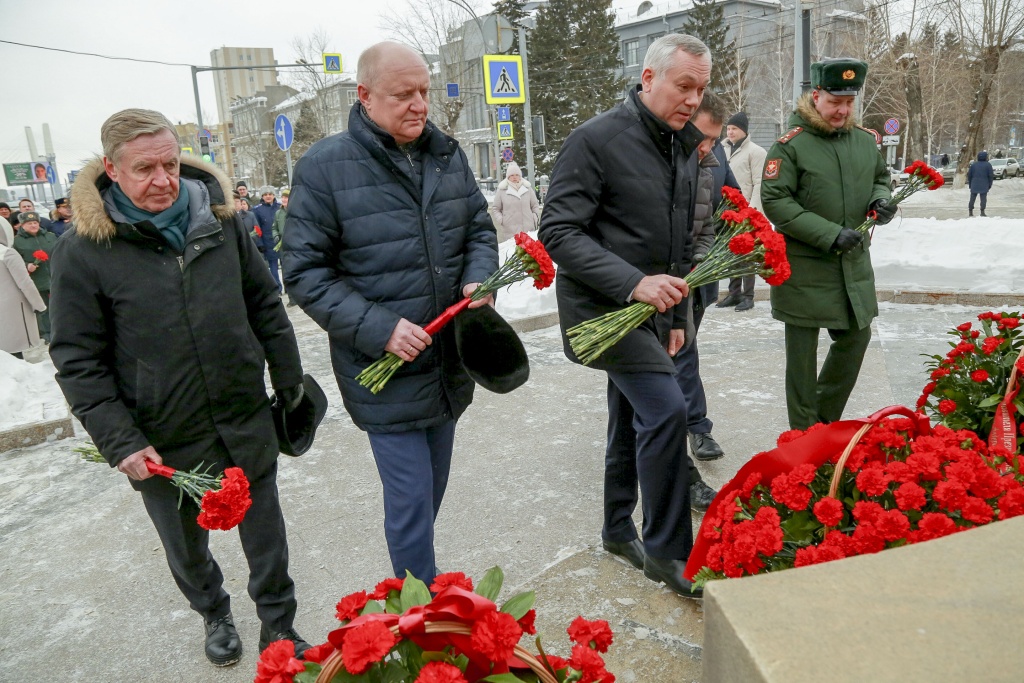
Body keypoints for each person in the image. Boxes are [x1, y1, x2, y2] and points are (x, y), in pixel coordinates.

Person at [48, 108, 311, 667]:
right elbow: (77, 360)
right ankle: (213, 610)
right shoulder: (83, 251)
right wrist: (120, 440)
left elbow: (265, 304)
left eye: (170, 163)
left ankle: (279, 624)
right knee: (187, 544)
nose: (163, 180)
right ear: (111, 171)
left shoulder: (221, 221)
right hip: (162, 434)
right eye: (145, 169)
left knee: (266, 532)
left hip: (242, 413)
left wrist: (288, 383)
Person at [283, 42, 498, 584]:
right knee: (409, 499)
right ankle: (421, 615)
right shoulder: (324, 167)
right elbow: (304, 273)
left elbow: (478, 228)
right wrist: (379, 328)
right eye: (403, 94)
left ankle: (416, 582)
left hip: (447, 361)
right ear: (365, 96)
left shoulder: (446, 154)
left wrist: (480, 275)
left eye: (424, 91)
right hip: (383, 370)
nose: (419, 104)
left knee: (431, 491)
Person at [539, 33, 712, 599]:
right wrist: (633, 283)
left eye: (701, 88)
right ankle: (667, 549)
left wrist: (680, 313)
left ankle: (617, 529)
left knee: (628, 414)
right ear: (648, 78)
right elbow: (558, 232)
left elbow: (679, 244)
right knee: (666, 410)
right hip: (598, 312)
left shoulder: (683, 145)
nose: (692, 98)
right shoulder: (596, 139)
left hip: (653, 313)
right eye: (683, 85)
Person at [760, 58, 893, 430]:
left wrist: (880, 201)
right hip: (805, 267)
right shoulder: (790, 147)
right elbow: (777, 201)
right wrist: (828, 233)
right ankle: (803, 436)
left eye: (849, 102)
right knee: (801, 359)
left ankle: (820, 420)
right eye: (835, 101)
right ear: (816, 97)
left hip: (852, 265)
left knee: (857, 337)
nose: (843, 110)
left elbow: (881, 179)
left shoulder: (865, 142)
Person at [674, 92, 740, 502]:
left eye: (716, 140)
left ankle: (697, 427)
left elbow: (734, 203)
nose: (709, 147)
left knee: (686, 352)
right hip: (656, 284)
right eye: (704, 138)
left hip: (698, 277)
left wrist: (721, 246)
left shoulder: (714, 160)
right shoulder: (659, 160)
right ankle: (677, 453)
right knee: (670, 362)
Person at [717, 111, 767, 312]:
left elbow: (759, 183)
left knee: (748, 253)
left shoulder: (756, 152)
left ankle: (748, 295)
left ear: (744, 131)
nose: (730, 132)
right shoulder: (720, 149)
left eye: (734, 128)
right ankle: (734, 293)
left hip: (746, 212)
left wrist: (752, 212)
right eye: (728, 128)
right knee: (731, 252)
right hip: (726, 211)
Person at [0, 216, 46, 359]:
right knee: (16, 348)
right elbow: (25, 283)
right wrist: (39, 305)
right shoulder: (8, 253)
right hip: (15, 307)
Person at [12, 210, 58, 343]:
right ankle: (47, 333)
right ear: (22, 225)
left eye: (35, 222)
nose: (33, 225)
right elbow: (15, 261)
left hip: (54, 277)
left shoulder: (50, 236)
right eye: (29, 223)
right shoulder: (17, 242)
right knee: (42, 307)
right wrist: (27, 265)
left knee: (58, 305)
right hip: (37, 280)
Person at [490, 162, 541, 242]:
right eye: (512, 175)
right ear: (508, 177)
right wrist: (502, 220)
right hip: (510, 230)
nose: (515, 177)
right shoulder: (502, 190)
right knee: (512, 252)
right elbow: (496, 208)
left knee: (529, 252)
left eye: (517, 175)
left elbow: (535, 205)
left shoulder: (528, 188)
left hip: (528, 228)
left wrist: (535, 217)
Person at [252, 187, 281, 291]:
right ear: (262, 196)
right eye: (265, 194)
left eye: (270, 194)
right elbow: (257, 228)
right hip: (268, 243)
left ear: (274, 195)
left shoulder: (280, 207)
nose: (268, 196)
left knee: (286, 265)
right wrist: (260, 244)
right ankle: (277, 287)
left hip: (282, 241)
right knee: (273, 267)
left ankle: (290, 288)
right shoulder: (257, 210)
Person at [271, 189, 296, 306]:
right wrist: (276, 235)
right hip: (283, 247)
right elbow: (274, 227)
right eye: (283, 197)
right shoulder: (278, 213)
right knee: (286, 272)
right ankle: (292, 298)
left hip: (296, 245)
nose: (284, 199)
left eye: (286, 197)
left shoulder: (296, 210)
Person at [967, 151, 994, 217]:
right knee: (983, 198)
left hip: (974, 183)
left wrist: (970, 184)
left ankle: (970, 211)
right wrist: (990, 184)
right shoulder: (988, 165)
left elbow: (969, 175)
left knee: (972, 198)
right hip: (984, 184)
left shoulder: (973, 165)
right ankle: (982, 211)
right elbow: (990, 176)